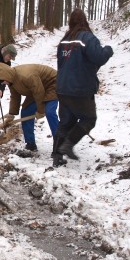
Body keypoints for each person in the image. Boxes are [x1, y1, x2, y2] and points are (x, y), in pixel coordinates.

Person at [54, 9, 113, 166]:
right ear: (84, 21)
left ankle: (57, 155)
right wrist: (108, 50)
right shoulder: (87, 38)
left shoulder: (64, 40)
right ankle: (67, 145)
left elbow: (60, 63)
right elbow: (98, 57)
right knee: (89, 118)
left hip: (62, 87)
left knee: (66, 121)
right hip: (79, 88)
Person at [0, 63, 59, 153]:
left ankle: (60, 145)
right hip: (36, 89)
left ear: (6, 75)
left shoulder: (27, 76)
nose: (2, 83)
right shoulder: (11, 80)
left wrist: (41, 111)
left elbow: (39, 92)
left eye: (2, 80)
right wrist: (11, 114)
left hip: (52, 84)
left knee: (50, 112)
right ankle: (30, 144)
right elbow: (15, 97)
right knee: (26, 112)